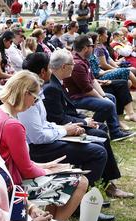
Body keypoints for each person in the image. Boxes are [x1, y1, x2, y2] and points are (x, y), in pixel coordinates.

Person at [0, 70, 89, 221]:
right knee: (81, 181)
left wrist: (47, 166)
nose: (34, 103)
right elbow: (27, 170)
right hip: (12, 186)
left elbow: (17, 161)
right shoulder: (13, 125)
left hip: (2, 179)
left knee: (66, 174)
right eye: (35, 98)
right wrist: (47, 169)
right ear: (25, 93)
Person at [39, 50, 134, 199]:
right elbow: (58, 119)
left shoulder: (57, 82)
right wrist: (83, 122)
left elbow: (65, 113)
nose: (73, 66)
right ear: (64, 66)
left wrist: (84, 120)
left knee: (101, 128)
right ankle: (106, 184)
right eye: (72, 64)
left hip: (65, 125)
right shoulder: (51, 87)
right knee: (101, 135)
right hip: (61, 131)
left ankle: (108, 182)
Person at [64, 35, 133, 141]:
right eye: (92, 45)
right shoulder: (77, 64)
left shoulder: (83, 60)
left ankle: (115, 132)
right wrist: (103, 99)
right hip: (75, 99)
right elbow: (87, 89)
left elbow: (93, 80)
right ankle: (91, 128)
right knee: (108, 104)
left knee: (110, 98)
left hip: (82, 95)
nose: (94, 48)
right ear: (86, 48)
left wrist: (104, 95)